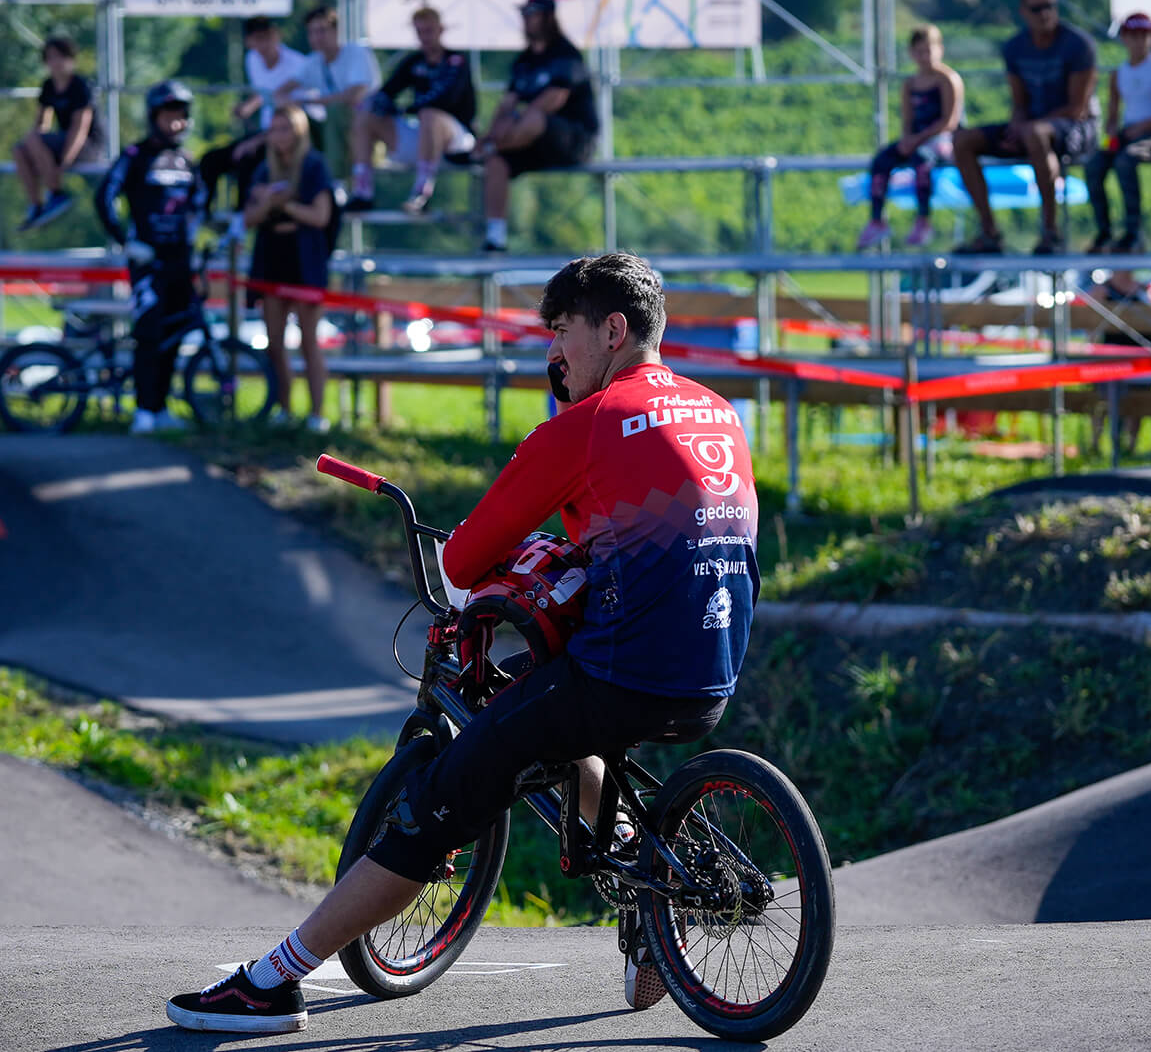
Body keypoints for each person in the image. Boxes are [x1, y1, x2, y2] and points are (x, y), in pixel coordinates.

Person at [163, 251, 757, 1034]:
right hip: (713, 673)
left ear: (613, 330)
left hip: (624, 676)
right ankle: (650, 894)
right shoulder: (717, 409)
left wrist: (552, 450)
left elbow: (465, 562)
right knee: (546, 704)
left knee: (437, 803)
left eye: (562, 331)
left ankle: (273, 980)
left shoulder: (584, 426)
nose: (552, 351)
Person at [95, 80, 211, 435]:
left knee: (175, 334)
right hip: (147, 262)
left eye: (181, 116)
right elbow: (104, 198)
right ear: (154, 117)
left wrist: (195, 247)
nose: (175, 123)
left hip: (180, 263)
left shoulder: (189, 161)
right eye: (168, 115)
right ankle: (142, 410)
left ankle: (159, 407)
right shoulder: (135, 156)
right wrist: (125, 242)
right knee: (148, 332)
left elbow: (200, 206)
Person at [950, 0, 1099, 255]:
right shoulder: (1015, 48)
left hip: (1075, 129)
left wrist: (1027, 128)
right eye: (1037, 8)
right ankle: (989, 232)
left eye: (1051, 6)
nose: (1045, 13)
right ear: (1023, 12)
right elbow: (1020, 103)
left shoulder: (1079, 45)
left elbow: (1077, 107)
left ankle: (1050, 232)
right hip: (1033, 128)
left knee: (1036, 135)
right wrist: (1016, 125)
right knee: (962, 141)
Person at [476, 0, 599, 252]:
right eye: (524, 15)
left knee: (532, 117)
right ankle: (495, 236)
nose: (527, 20)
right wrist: (491, 134)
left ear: (548, 17)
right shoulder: (523, 62)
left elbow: (554, 98)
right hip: (530, 140)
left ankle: (492, 148)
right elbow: (507, 103)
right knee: (496, 162)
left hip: (573, 140)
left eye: (533, 15)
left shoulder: (567, 55)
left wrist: (505, 132)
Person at [243, 104, 337, 433]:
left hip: (305, 260)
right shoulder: (263, 170)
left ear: (298, 132)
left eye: (285, 128)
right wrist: (267, 202)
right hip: (271, 260)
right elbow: (248, 218)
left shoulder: (313, 165)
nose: (279, 135)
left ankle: (316, 415)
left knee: (309, 342)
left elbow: (321, 216)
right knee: (274, 342)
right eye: (274, 128)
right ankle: (283, 408)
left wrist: (288, 204)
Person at [348, 6, 479, 214]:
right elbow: (387, 92)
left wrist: (404, 108)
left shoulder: (456, 61)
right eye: (420, 31)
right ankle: (363, 192)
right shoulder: (413, 62)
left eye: (429, 30)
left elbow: (445, 98)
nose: (424, 37)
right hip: (423, 137)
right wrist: (372, 103)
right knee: (365, 117)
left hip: (456, 141)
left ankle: (422, 192)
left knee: (429, 115)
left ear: (441, 29)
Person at [199, 17, 323, 216]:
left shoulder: (299, 65)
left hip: (292, 135)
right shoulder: (253, 60)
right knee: (210, 160)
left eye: (268, 37)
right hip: (267, 132)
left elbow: (293, 115)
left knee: (247, 157)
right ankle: (203, 214)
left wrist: (257, 140)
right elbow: (267, 92)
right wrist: (248, 108)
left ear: (276, 35)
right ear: (250, 41)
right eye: (258, 38)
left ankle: (242, 216)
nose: (264, 44)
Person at [1084, 13, 1151, 254]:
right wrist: (1110, 135)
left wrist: (1147, 125)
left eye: (1145, 36)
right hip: (1129, 133)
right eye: (1134, 36)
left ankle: (1133, 232)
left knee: (1125, 161)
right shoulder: (1119, 73)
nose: (1139, 41)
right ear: (1125, 38)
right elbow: (1113, 114)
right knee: (1094, 164)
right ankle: (1104, 231)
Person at [859, 24, 963, 250]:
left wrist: (918, 140)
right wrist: (907, 139)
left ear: (939, 49)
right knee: (882, 160)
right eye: (920, 51)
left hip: (942, 139)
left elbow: (949, 121)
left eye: (929, 50)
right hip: (917, 140)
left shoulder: (948, 79)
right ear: (912, 53)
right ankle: (877, 219)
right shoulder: (910, 84)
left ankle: (924, 219)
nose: (925, 56)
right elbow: (907, 120)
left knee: (921, 160)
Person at [15, 37, 105, 232]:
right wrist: (37, 152)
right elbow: (41, 123)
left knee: (33, 139)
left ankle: (56, 192)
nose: (55, 63)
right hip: (65, 144)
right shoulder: (48, 86)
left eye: (60, 57)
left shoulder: (81, 86)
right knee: (20, 150)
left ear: (71, 59)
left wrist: (63, 163)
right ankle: (36, 205)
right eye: (50, 58)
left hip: (88, 146)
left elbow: (79, 129)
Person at [290, 5, 380, 176]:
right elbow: (282, 91)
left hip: (367, 126)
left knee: (336, 112)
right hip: (334, 127)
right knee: (289, 122)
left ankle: (334, 181)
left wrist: (309, 101)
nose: (316, 37)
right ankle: (294, 183)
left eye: (322, 30)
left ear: (336, 30)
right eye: (311, 32)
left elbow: (354, 96)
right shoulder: (313, 62)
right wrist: (290, 107)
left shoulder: (356, 53)